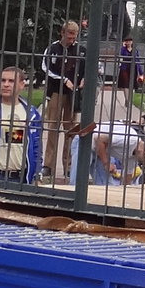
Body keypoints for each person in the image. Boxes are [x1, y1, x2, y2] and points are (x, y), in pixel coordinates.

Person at [40, 21, 84, 186]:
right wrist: (63, 79)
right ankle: (48, 165)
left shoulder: (81, 50)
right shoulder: (52, 49)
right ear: (62, 33)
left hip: (73, 94)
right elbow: (45, 68)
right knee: (53, 127)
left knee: (71, 130)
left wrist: (84, 79)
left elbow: (90, 67)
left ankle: (69, 165)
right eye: (69, 35)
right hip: (56, 92)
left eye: (74, 36)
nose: (72, 39)